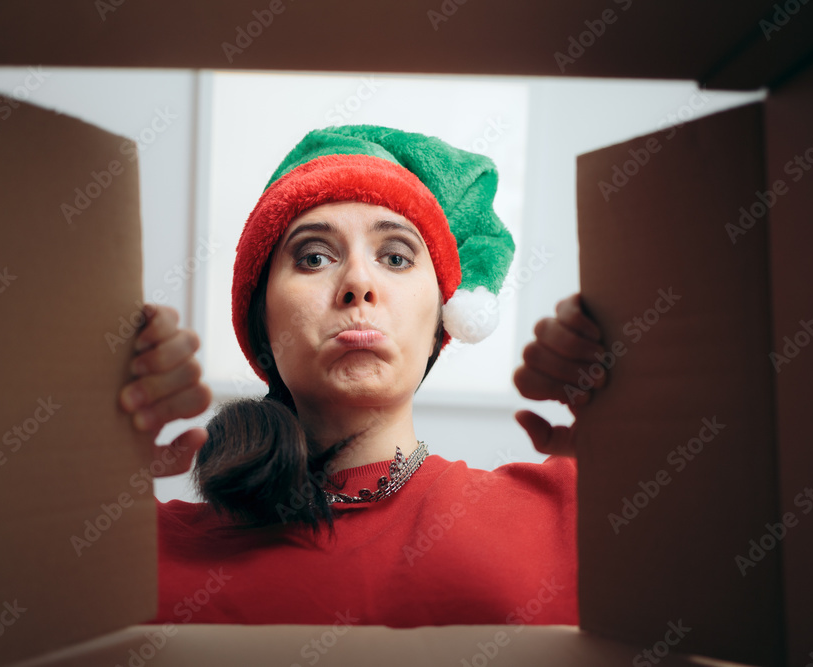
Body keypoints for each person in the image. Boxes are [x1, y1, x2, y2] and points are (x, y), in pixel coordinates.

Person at [118, 125, 608, 627]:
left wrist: (633, 441)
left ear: (442, 319)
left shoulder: (580, 507)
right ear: (261, 323)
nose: (358, 283)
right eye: (313, 257)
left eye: (395, 257)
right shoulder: (130, 552)